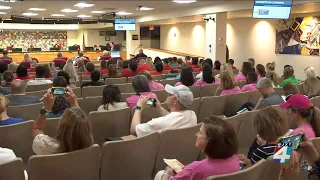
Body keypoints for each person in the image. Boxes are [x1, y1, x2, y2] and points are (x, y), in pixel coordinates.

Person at [157, 116, 240, 180]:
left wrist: (166, 174)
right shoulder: (235, 158)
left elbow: (198, 170)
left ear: (209, 141)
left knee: (160, 174)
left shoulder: (196, 168)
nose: (196, 135)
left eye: (200, 133)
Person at [32, 87, 93, 155]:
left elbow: (37, 128)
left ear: (61, 125)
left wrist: (47, 107)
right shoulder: (89, 146)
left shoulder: (45, 146)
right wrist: (74, 102)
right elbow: (83, 126)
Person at [130, 84, 197, 137]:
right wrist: (159, 108)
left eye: (170, 94)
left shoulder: (157, 123)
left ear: (176, 101)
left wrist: (139, 107)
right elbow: (173, 119)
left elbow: (134, 130)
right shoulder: (193, 115)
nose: (167, 95)